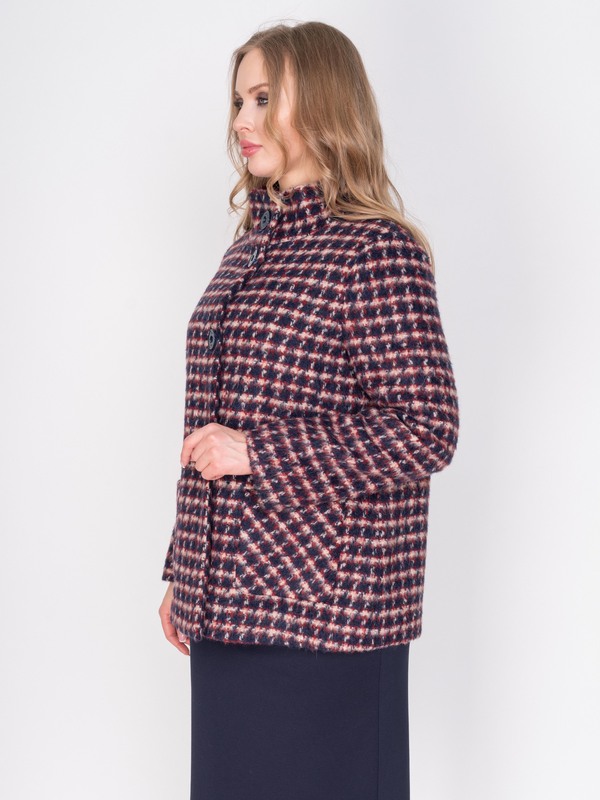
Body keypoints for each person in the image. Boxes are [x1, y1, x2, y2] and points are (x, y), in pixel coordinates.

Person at [158, 20, 459, 800]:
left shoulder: (375, 250)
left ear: (321, 101)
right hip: (227, 608)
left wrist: (258, 451)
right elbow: (214, 419)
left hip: (329, 620)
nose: (241, 120)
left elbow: (427, 427)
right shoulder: (250, 248)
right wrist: (185, 570)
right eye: (238, 101)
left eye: (263, 98)